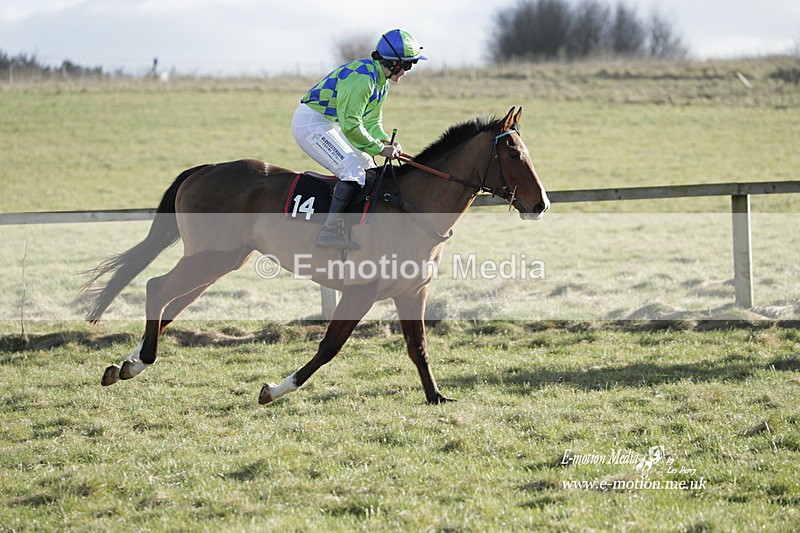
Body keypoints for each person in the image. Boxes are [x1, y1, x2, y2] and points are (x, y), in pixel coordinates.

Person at [291, 29, 427, 250]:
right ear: (394, 64)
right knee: (352, 168)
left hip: (331, 123)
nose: (408, 71)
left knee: (368, 166)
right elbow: (352, 125)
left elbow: (371, 122)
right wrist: (379, 149)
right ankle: (329, 232)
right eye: (409, 65)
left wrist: (384, 142)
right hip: (311, 122)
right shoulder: (363, 80)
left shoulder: (380, 81)